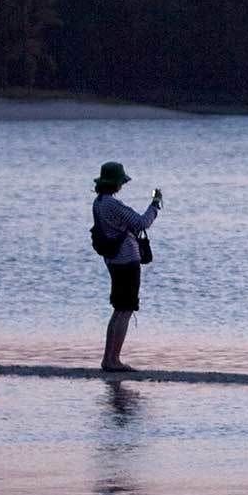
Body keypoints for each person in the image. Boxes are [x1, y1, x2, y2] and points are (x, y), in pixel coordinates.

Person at [90, 160, 163, 374]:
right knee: (125, 309)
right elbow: (141, 223)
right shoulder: (112, 204)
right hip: (126, 261)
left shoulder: (98, 203)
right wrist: (155, 204)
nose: (122, 185)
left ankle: (108, 359)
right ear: (115, 183)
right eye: (121, 181)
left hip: (113, 260)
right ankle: (113, 360)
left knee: (118, 310)